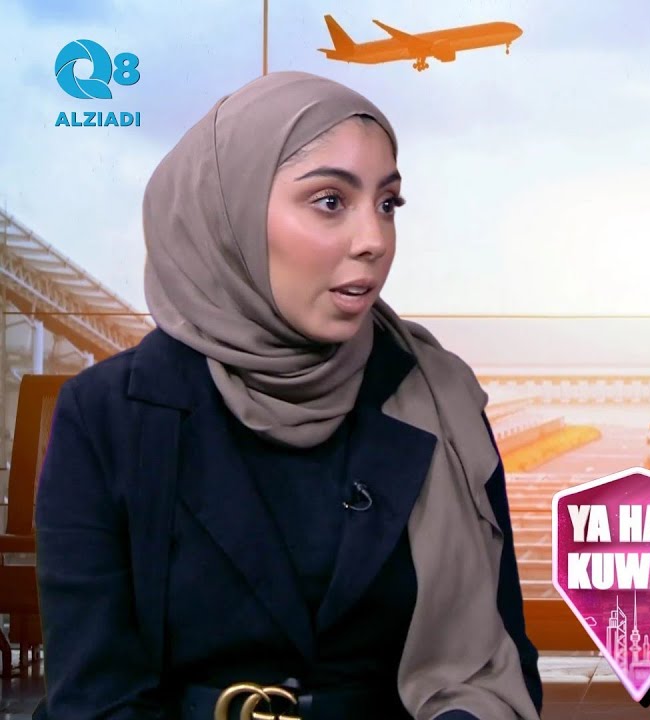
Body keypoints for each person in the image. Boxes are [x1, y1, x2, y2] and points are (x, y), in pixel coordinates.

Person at [32, 71, 542, 719]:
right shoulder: (105, 415)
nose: (374, 240)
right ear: (232, 215)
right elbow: (95, 697)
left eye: (388, 204)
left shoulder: (441, 401)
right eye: (330, 201)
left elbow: (498, 665)